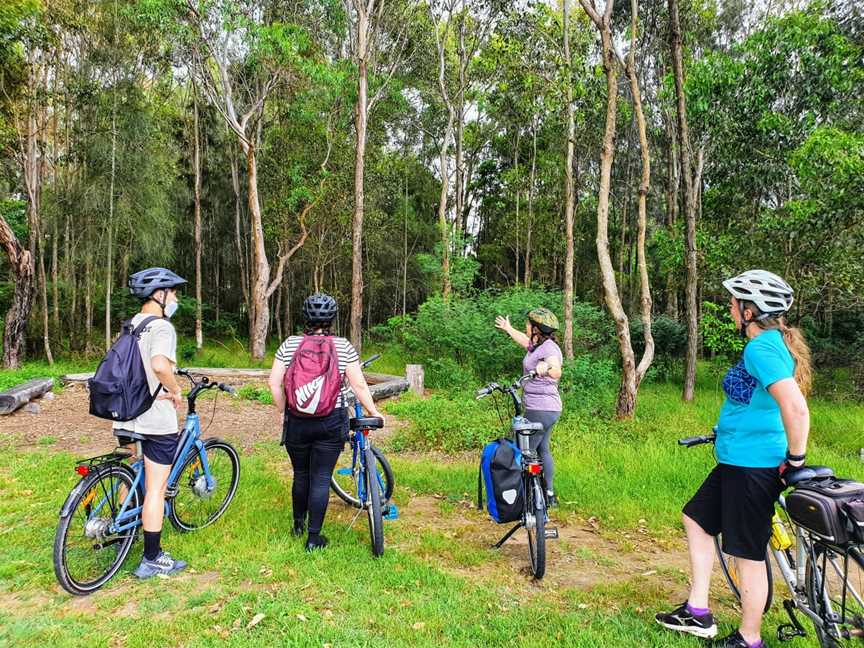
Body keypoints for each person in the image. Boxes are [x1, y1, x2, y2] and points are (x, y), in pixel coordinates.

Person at [656, 269, 812, 648]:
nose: (729, 306)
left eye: (734, 301)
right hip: (736, 460)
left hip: (753, 466)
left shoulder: (762, 348)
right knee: (696, 518)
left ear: (749, 310)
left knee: (747, 555)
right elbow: (759, 403)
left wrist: (796, 459)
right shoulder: (769, 344)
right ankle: (697, 611)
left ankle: (750, 637)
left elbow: (795, 407)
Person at [268, 293, 384, 551]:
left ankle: (298, 525)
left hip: (297, 420)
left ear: (305, 318)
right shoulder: (342, 345)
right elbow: (359, 384)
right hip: (331, 420)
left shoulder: (290, 344)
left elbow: (274, 382)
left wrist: (284, 410)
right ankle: (313, 538)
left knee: (301, 474)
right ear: (331, 319)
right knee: (321, 477)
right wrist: (373, 411)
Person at [117, 267, 188, 579]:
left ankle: (121, 533)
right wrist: (175, 390)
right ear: (159, 295)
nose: (174, 298)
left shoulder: (131, 325)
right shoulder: (161, 327)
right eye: (172, 292)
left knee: (130, 472)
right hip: (154, 417)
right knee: (156, 487)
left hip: (124, 412)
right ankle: (152, 557)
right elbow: (159, 364)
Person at [494, 307, 564, 506]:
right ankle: (548, 495)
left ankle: (518, 498)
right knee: (543, 449)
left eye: (528, 324)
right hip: (549, 409)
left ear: (536, 329)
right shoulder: (537, 346)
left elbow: (556, 369)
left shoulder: (549, 349)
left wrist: (546, 369)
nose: (525, 327)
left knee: (522, 452)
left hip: (540, 409)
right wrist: (508, 328)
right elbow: (524, 342)